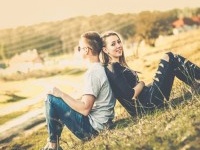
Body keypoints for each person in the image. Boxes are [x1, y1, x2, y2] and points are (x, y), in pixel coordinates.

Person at [42, 31, 116, 150]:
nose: (78, 50)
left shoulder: (93, 73)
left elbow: (85, 109)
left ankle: (53, 146)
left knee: (50, 99)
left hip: (92, 129)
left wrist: (61, 94)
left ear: (86, 50)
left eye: (79, 48)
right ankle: (52, 143)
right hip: (101, 125)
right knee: (58, 102)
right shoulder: (100, 68)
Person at [100, 30, 200, 116]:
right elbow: (130, 95)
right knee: (170, 57)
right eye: (113, 44)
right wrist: (142, 83)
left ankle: (196, 85)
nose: (118, 46)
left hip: (147, 101)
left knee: (172, 64)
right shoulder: (113, 67)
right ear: (105, 49)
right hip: (148, 104)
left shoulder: (115, 66)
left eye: (119, 42)